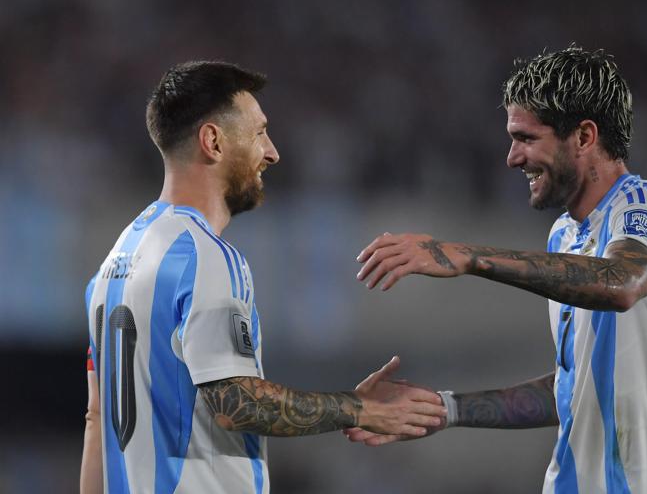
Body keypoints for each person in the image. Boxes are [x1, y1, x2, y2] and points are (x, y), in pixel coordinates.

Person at [348, 46, 647, 493]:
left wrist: (468, 257)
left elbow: (622, 283)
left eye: (526, 138)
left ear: (584, 137)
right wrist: (445, 409)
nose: (512, 157)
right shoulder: (564, 236)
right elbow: (572, 390)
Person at [79, 61, 446, 494]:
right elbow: (237, 403)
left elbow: (97, 420)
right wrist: (360, 408)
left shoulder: (112, 265)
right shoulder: (206, 257)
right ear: (213, 141)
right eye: (259, 133)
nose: (272, 152)